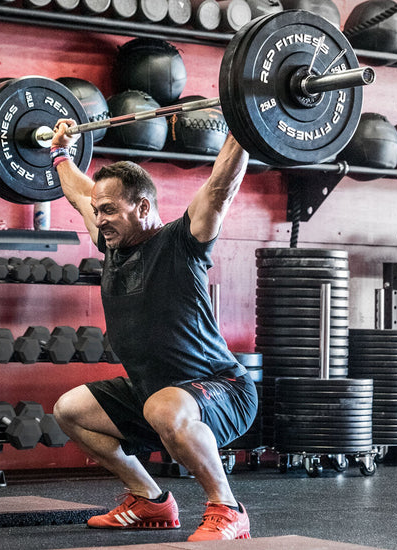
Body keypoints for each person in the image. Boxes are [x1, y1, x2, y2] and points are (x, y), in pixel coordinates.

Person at [50, 117, 258, 542]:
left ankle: (228, 509)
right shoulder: (112, 244)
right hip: (153, 394)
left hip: (220, 388)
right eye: (98, 211)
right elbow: (77, 194)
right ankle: (149, 499)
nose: (100, 219)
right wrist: (60, 154)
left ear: (143, 207)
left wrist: (246, 124)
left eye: (109, 210)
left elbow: (221, 187)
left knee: (163, 408)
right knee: (69, 411)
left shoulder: (181, 242)